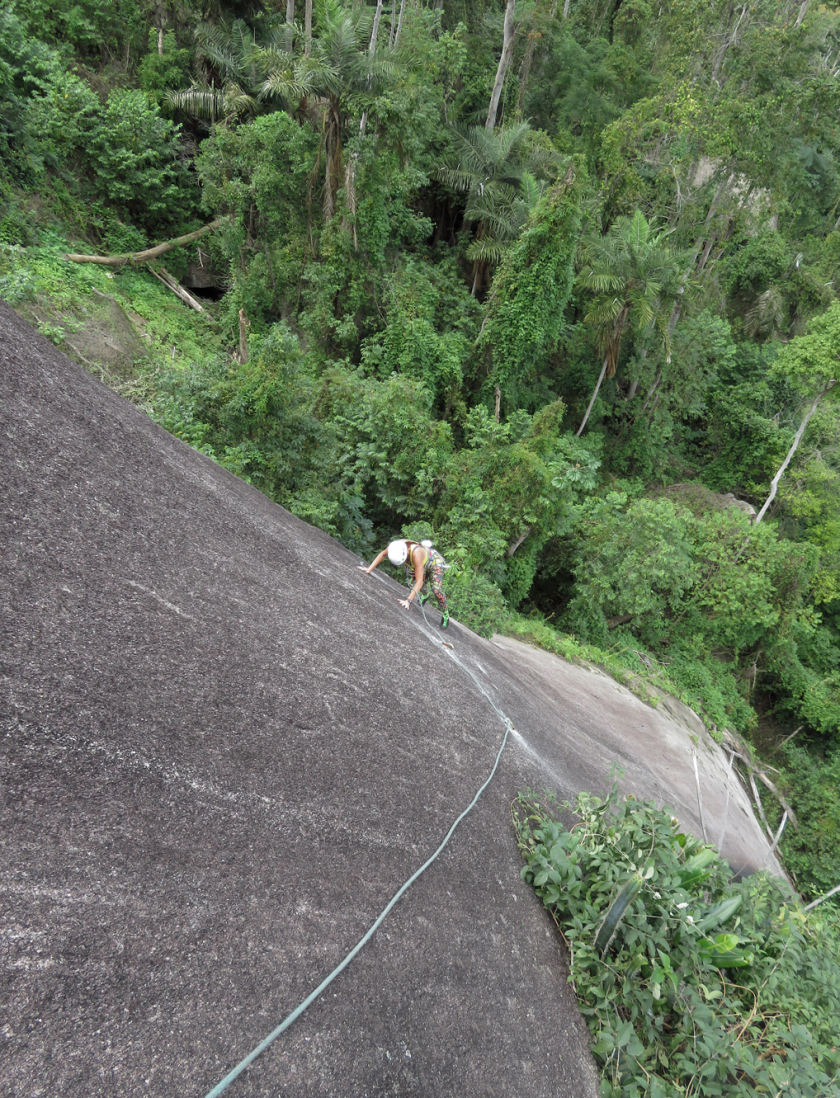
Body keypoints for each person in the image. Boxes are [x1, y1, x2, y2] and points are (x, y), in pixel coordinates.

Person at [359, 539, 450, 628]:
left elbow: (419, 581)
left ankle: (445, 614)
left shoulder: (416, 554)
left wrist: (408, 601)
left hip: (433, 562)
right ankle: (426, 595)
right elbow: (383, 554)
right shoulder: (394, 546)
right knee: (419, 585)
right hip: (420, 563)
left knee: (436, 589)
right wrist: (369, 569)